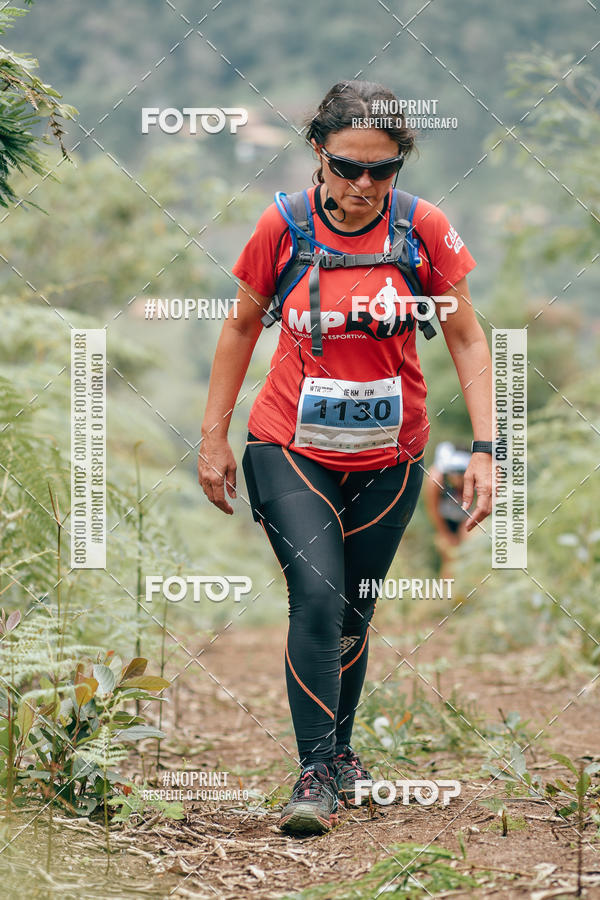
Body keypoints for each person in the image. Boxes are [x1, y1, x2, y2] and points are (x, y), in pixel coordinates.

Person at [199, 80, 493, 836]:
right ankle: (313, 774)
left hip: (390, 456)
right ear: (317, 154)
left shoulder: (422, 227)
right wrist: (213, 437)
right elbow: (238, 329)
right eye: (347, 167)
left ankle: (341, 751)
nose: (364, 185)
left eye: (382, 170)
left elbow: (466, 337)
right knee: (321, 597)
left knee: (355, 611)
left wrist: (490, 449)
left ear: (401, 164)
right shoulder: (284, 227)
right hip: (289, 446)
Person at [425, 442, 472, 578]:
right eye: (453, 471)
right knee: (449, 555)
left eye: (461, 472)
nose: (457, 477)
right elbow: (433, 509)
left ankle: (471, 587)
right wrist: (445, 534)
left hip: (467, 519)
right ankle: (448, 592)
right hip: (445, 521)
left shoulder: (475, 479)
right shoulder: (435, 479)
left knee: (470, 549)